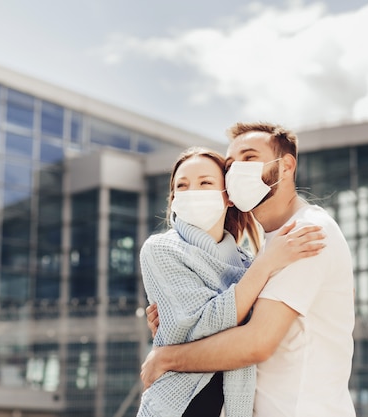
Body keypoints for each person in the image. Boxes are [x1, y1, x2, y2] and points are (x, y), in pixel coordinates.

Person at [142, 122, 356, 417]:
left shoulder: (304, 233)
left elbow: (256, 342)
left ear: (286, 166)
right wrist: (176, 324)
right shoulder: (268, 249)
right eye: (231, 164)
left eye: (250, 157)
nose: (237, 170)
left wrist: (166, 357)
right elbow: (230, 318)